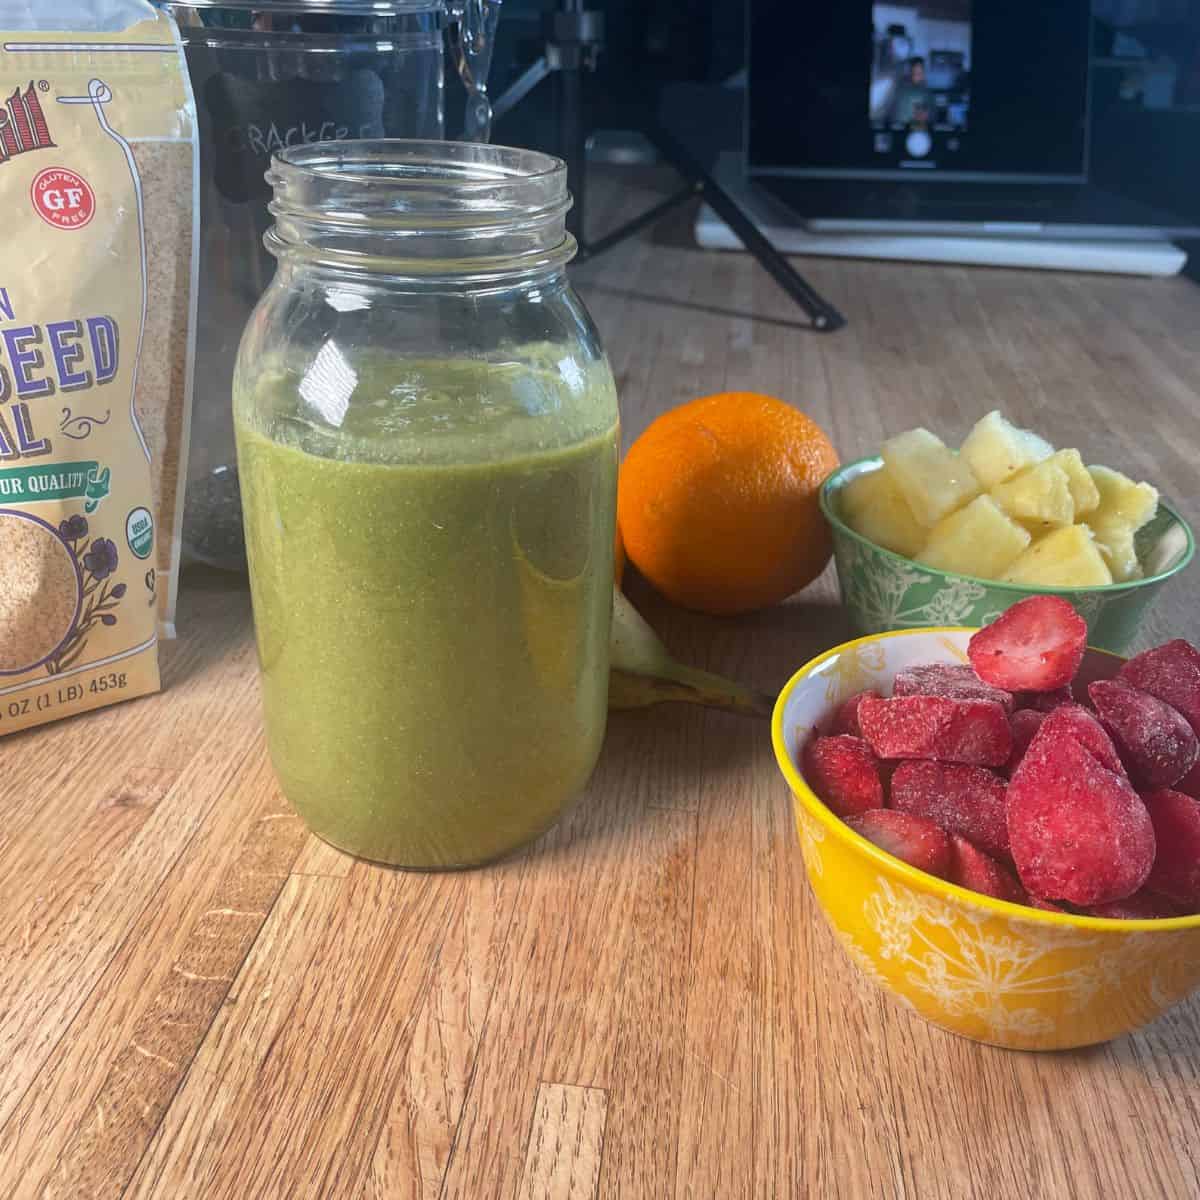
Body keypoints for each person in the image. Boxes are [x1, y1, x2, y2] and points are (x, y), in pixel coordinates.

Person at [888, 57, 932, 127]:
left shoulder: (926, 92)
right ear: (910, 72)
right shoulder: (901, 90)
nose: (919, 76)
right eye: (915, 73)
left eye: (920, 73)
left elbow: (928, 116)